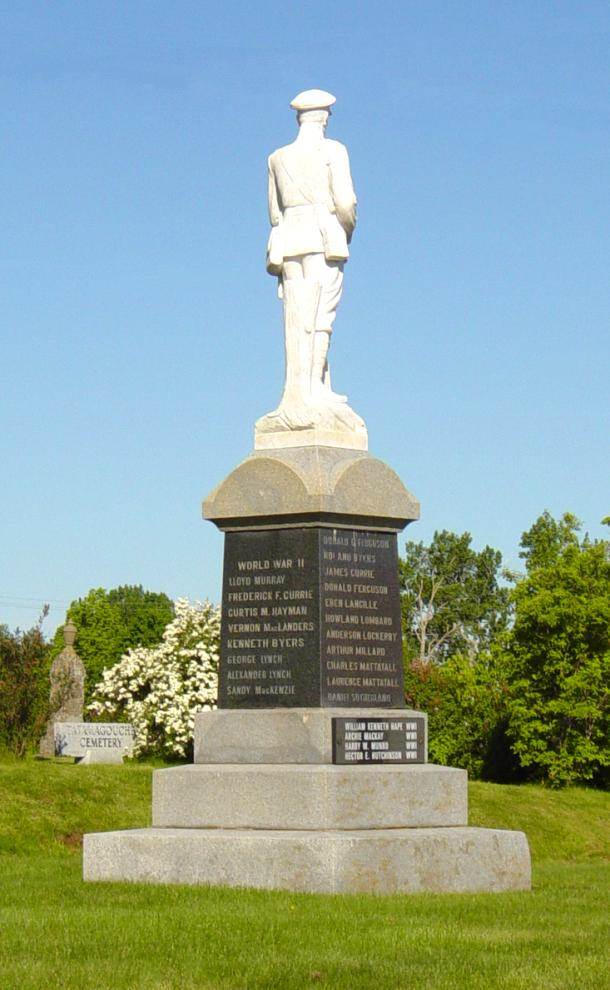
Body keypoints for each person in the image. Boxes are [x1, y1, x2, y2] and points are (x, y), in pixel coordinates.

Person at [266, 89, 357, 411]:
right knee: (320, 316)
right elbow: (345, 202)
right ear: (323, 117)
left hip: (289, 238)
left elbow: (274, 212)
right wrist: (345, 229)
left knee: (296, 315)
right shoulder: (333, 150)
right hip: (322, 235)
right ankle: (313, 389)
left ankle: (303, 389)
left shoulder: (277, 157)